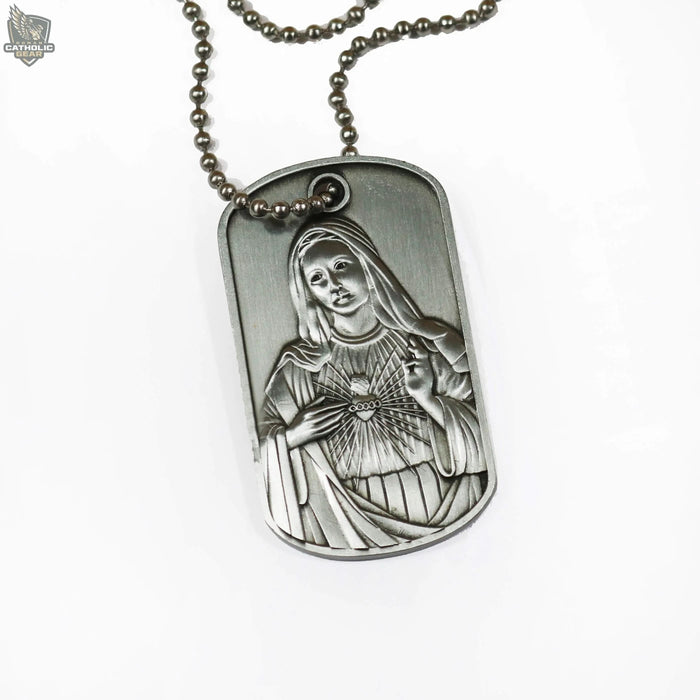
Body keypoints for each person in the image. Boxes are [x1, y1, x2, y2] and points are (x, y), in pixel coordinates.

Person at [261, 216, 486, 552]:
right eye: (317, 279)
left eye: (341, 266)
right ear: (308, 294)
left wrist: (428, 399)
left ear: (367, 266)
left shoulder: (424, 344)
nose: (334, 285)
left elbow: (483, 430)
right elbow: (262, 449)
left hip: (443, 499)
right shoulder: (298, 369)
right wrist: (293, 436)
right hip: (343, 516)